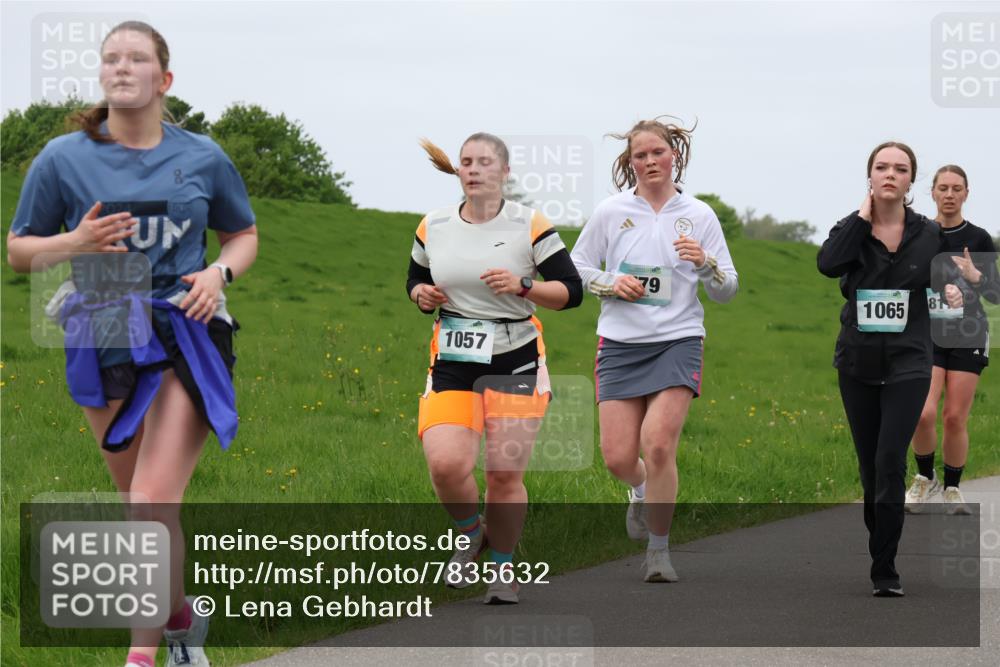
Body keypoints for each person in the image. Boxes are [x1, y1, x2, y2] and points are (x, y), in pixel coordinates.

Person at [7, 21, 258, 667]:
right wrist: (73, 245)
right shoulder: (61, 158)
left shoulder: (202, 155)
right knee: (140, 509)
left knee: (151, 500)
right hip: (103, 329)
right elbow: (19, 250)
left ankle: (142, 657)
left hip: (184, 328)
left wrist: (218, 271)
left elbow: (243, 233)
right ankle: (178, 619)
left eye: (136, 58)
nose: (121, 67)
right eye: (110, 58)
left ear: (163, 78)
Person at [407, 134, 582, 604]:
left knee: (504, 473)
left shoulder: (529, 224)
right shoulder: (434, 225)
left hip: (515, 355)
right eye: (467, 162)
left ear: (504, 172)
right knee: (446, 465)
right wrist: (419, 296)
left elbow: (571, 290)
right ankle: (472, 532)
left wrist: (524, 285)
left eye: (485, 162)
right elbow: (417, 279)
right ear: (458, 171)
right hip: (453, 357)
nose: (474, 169)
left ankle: (503, 570)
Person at [570, 117, 738, 583]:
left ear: (674, 156)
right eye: (639, 156)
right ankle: (640, 489)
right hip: (621, 343)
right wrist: (609, 281)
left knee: (659, 444)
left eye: (657, 153)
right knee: (618, 458)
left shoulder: (700, 216)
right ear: (630, 163)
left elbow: (728, 289)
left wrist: (705, 264)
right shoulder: (611, 211)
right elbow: (576, 266)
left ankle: (659, 551)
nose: (649, 162)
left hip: (678, 339)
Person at [817, 142, 963, 597]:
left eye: (900, 169)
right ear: (870, 176)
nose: (890, 175)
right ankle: (877, 544)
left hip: (909, 361)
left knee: (888, 461)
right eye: (882, 167)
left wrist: (953, 295)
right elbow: (828, 264)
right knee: (868, 468)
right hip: (857, 362)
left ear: (910, 181)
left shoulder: (930, 234)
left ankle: (886, 568)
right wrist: (863, 217)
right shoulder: (850, 229)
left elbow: (948, 285)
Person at [906, 165, 1000, 515]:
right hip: (926, 333)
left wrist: (975, 276)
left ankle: (952, 488)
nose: (949, 194)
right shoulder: (919, 234)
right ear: (932, 192)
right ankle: (924, 477)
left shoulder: (978, 238)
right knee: (923, 413)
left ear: (966, 193)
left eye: (956, 188)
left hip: (969, 334)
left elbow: (996, 295)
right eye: (943, 188)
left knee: (954, 417)